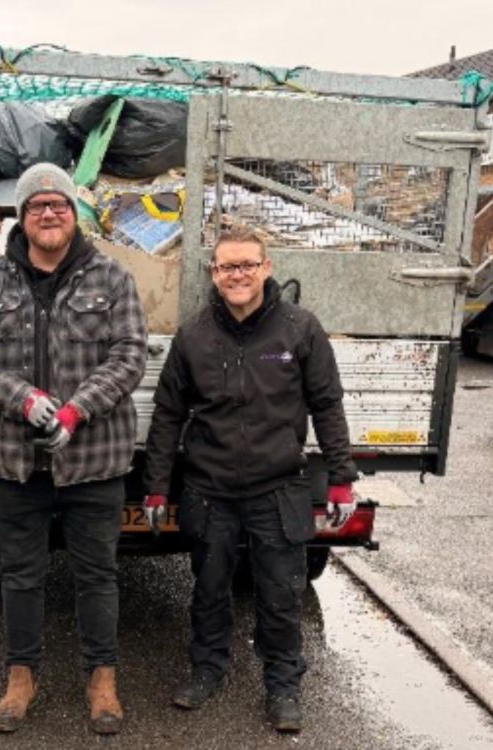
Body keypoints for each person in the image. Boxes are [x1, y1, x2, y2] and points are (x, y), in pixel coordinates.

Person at [0, 162, 147, 735]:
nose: (49, 212)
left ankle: (102, 679)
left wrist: (74, 409)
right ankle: (20, 676)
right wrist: (23, 398)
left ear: (74, 212)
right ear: (22, 216)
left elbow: (130, 354)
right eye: (37, 205)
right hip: (14, 461)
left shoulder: (111, 278)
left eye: (58, 203)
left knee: (97, 575)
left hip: (94, 460)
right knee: (19, 575)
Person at [142, 225, 358, 733]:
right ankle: (206, 669)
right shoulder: (194, 336)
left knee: (281, 593)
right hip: (209, 488)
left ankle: (283, 686)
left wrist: (341, 478)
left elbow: (327, 405)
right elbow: (168, 414)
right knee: (209, 588)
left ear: (265, 268)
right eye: (226, 267)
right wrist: (155, 485)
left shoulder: (300, 329)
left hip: (277, 486)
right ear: (213, 274)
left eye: (246, 265)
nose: (236, 275)